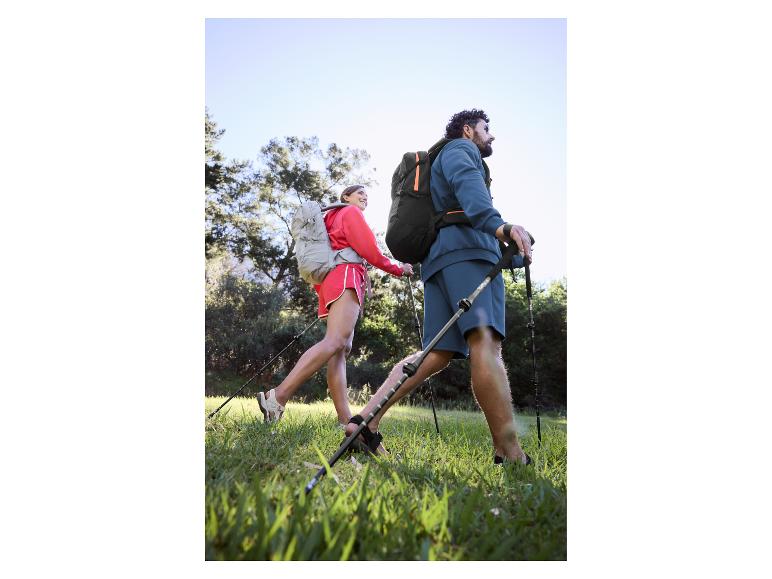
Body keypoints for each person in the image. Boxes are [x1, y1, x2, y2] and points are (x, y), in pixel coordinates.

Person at [344, 109, 534, 464]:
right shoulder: (461, 150)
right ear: (468, 130)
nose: (491, 136)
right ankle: (510, 452)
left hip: (439, 260)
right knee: (485, 343)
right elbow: (471, 193)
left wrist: (512, 251)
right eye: (486, 129)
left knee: (436, 353)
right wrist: (501, 227)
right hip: (467, 252)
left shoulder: (438, 160)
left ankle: (364, 423)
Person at [258, 185, 413, 425]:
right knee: (336, 342)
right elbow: (370, 251)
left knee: (340, 350)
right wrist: (398, 269)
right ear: (345, 197)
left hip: (332, 283)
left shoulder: (330, 218)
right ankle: (278, 397)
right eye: (359, 193)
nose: (364, 197)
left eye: (367, 195)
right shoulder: (350, 213)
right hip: (346, 277)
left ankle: (344, 419)